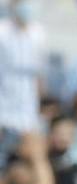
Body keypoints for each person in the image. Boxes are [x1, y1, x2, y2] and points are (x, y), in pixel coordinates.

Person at [0, 2, 46, 149]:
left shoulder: (38, 32)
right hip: (4, 103)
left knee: (32, 151)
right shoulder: (2, 31)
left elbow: (40, 73)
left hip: (29, 107)